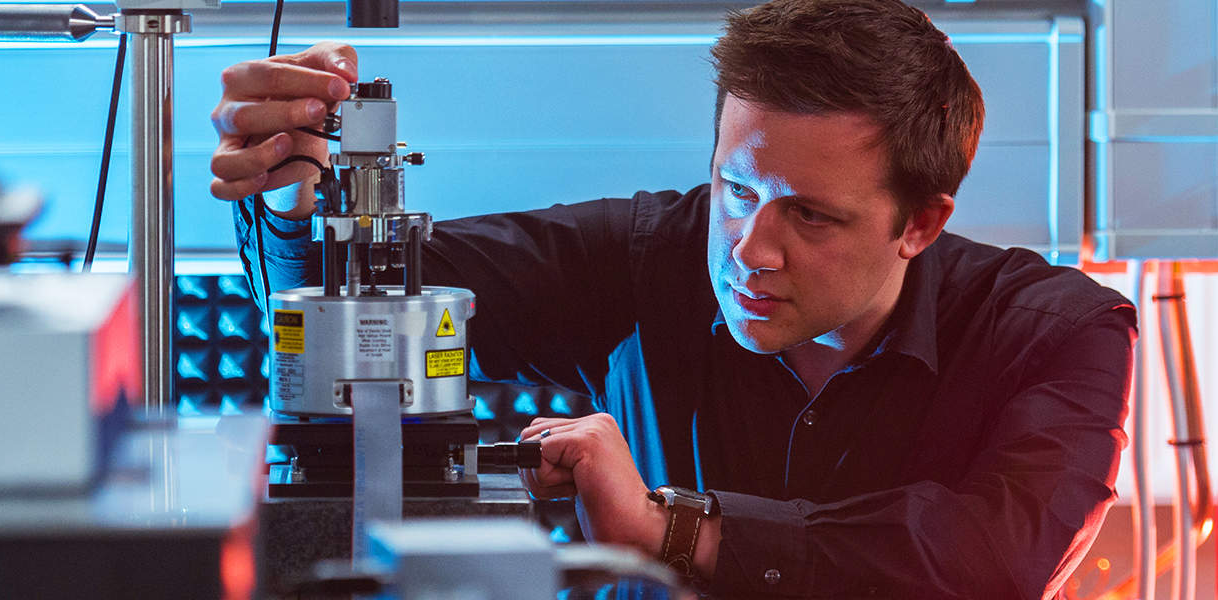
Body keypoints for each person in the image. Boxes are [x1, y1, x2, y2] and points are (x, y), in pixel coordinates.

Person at [209, 0, 1135, 597]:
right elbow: (360, 316)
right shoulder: (647, 255)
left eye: (810, 216)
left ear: (920, 225)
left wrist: (673, 529)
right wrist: (292, 188)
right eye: (739, 190)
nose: (749, 250)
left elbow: (997, 559)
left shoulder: (1059, 331)